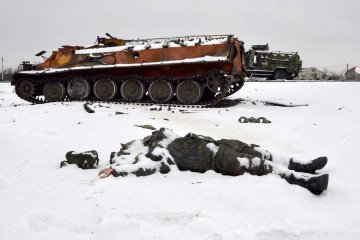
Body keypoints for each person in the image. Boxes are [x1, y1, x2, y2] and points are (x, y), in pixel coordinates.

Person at [98, 128, 329, 195]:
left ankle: (304, 165)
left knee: (260, 152)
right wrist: (118, 170)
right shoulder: (157, 155)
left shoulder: (165, 136)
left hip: (217, 142)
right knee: (258, 164)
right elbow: (146, 168)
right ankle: (306, 182)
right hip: (215, 158)